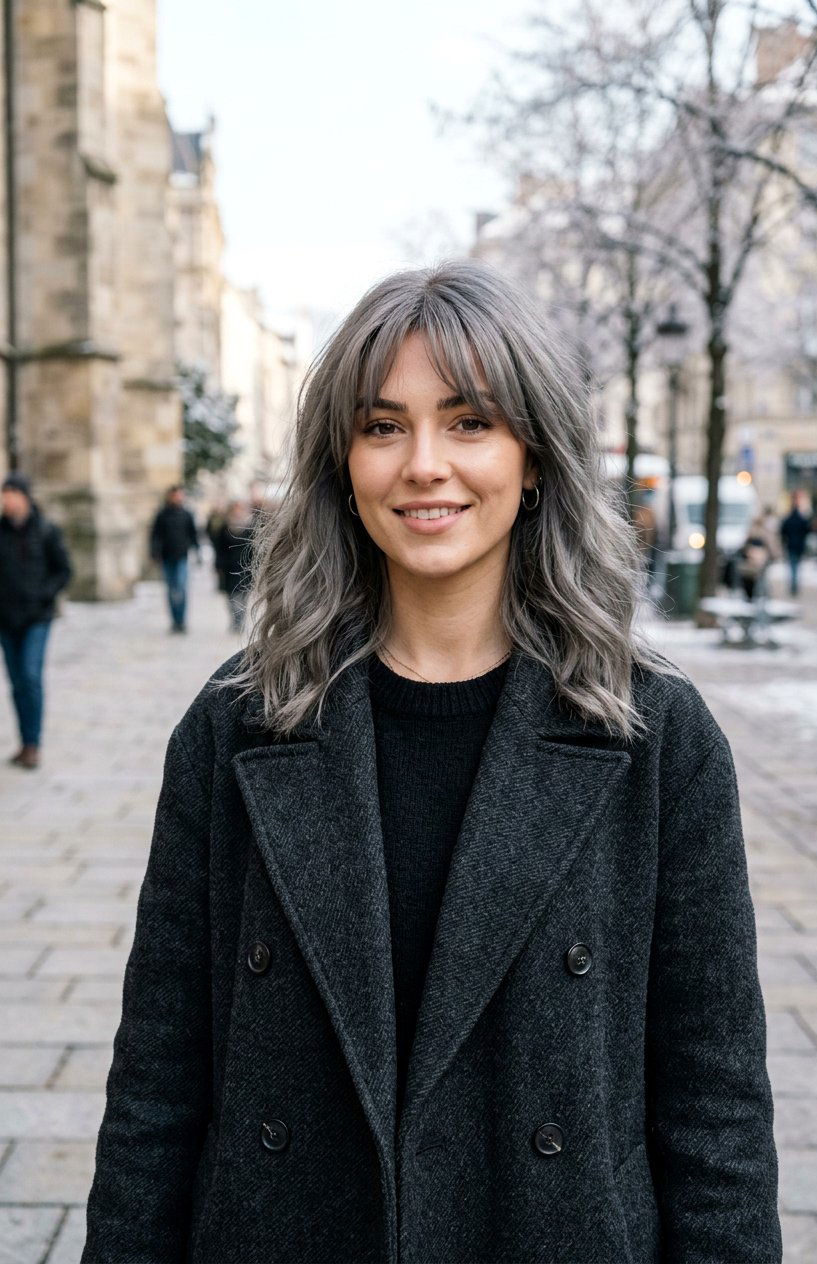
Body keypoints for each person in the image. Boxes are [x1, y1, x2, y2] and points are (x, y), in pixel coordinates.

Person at [83, 263, 781, 1263]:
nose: (423, 463)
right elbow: (157, 1083)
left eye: (467, 421)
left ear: (531, 456)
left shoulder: (651, 737)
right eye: (381, 426)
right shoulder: (237, 727)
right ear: (340, 460)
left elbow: (713, 1107)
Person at [0, 472, 72, 769]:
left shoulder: (45, 530)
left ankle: (34, 743)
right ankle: (24, 741)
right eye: (4, 495)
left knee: (30, 677)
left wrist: (44, 595)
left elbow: (63, 570)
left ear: (25, 496)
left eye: (11, 494)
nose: (7, 500)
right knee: (17, 683)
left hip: (36, 618)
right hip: (5, 619)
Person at [150, 485, 199, 633]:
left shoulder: (187, 514)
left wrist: (197, 551)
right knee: (171, 590)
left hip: (182, 557)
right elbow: (155, 535)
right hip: (167, 557)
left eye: (180, 495)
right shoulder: (162, 515)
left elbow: (193, 534)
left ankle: (182, 620)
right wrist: (154, 552)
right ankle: (175, 621)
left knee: (182, 588)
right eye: (175, 495)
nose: (178, 498)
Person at [213, 499, 254, 632]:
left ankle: (240, 620)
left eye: (240, 508)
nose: (237, 511)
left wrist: (255, 566)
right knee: (231, 596)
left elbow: (253, 548)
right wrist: (218, 565)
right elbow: (219, 548)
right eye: (235, 508)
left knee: (244, 595)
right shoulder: (224, 527)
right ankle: (235, 620)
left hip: (245, 567)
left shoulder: (249, 527)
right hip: (229, 567)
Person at [736, 514, 777, 601]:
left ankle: (751, 597)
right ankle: (753, 596)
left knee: (750, 579)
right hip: (753, 564)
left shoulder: (754, 533)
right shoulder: (763, 533)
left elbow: (743, 547)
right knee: (753, 579)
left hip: (753, 564)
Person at [780, 490, 810, 596]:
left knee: (793, 567)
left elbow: (783, 532)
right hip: (799, 546)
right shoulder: (802, 519)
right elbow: (806, 530)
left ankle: (793, 584)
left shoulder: (788, 519)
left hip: (791, 545)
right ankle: (794, 584)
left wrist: (784, 541)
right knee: (796, 567)